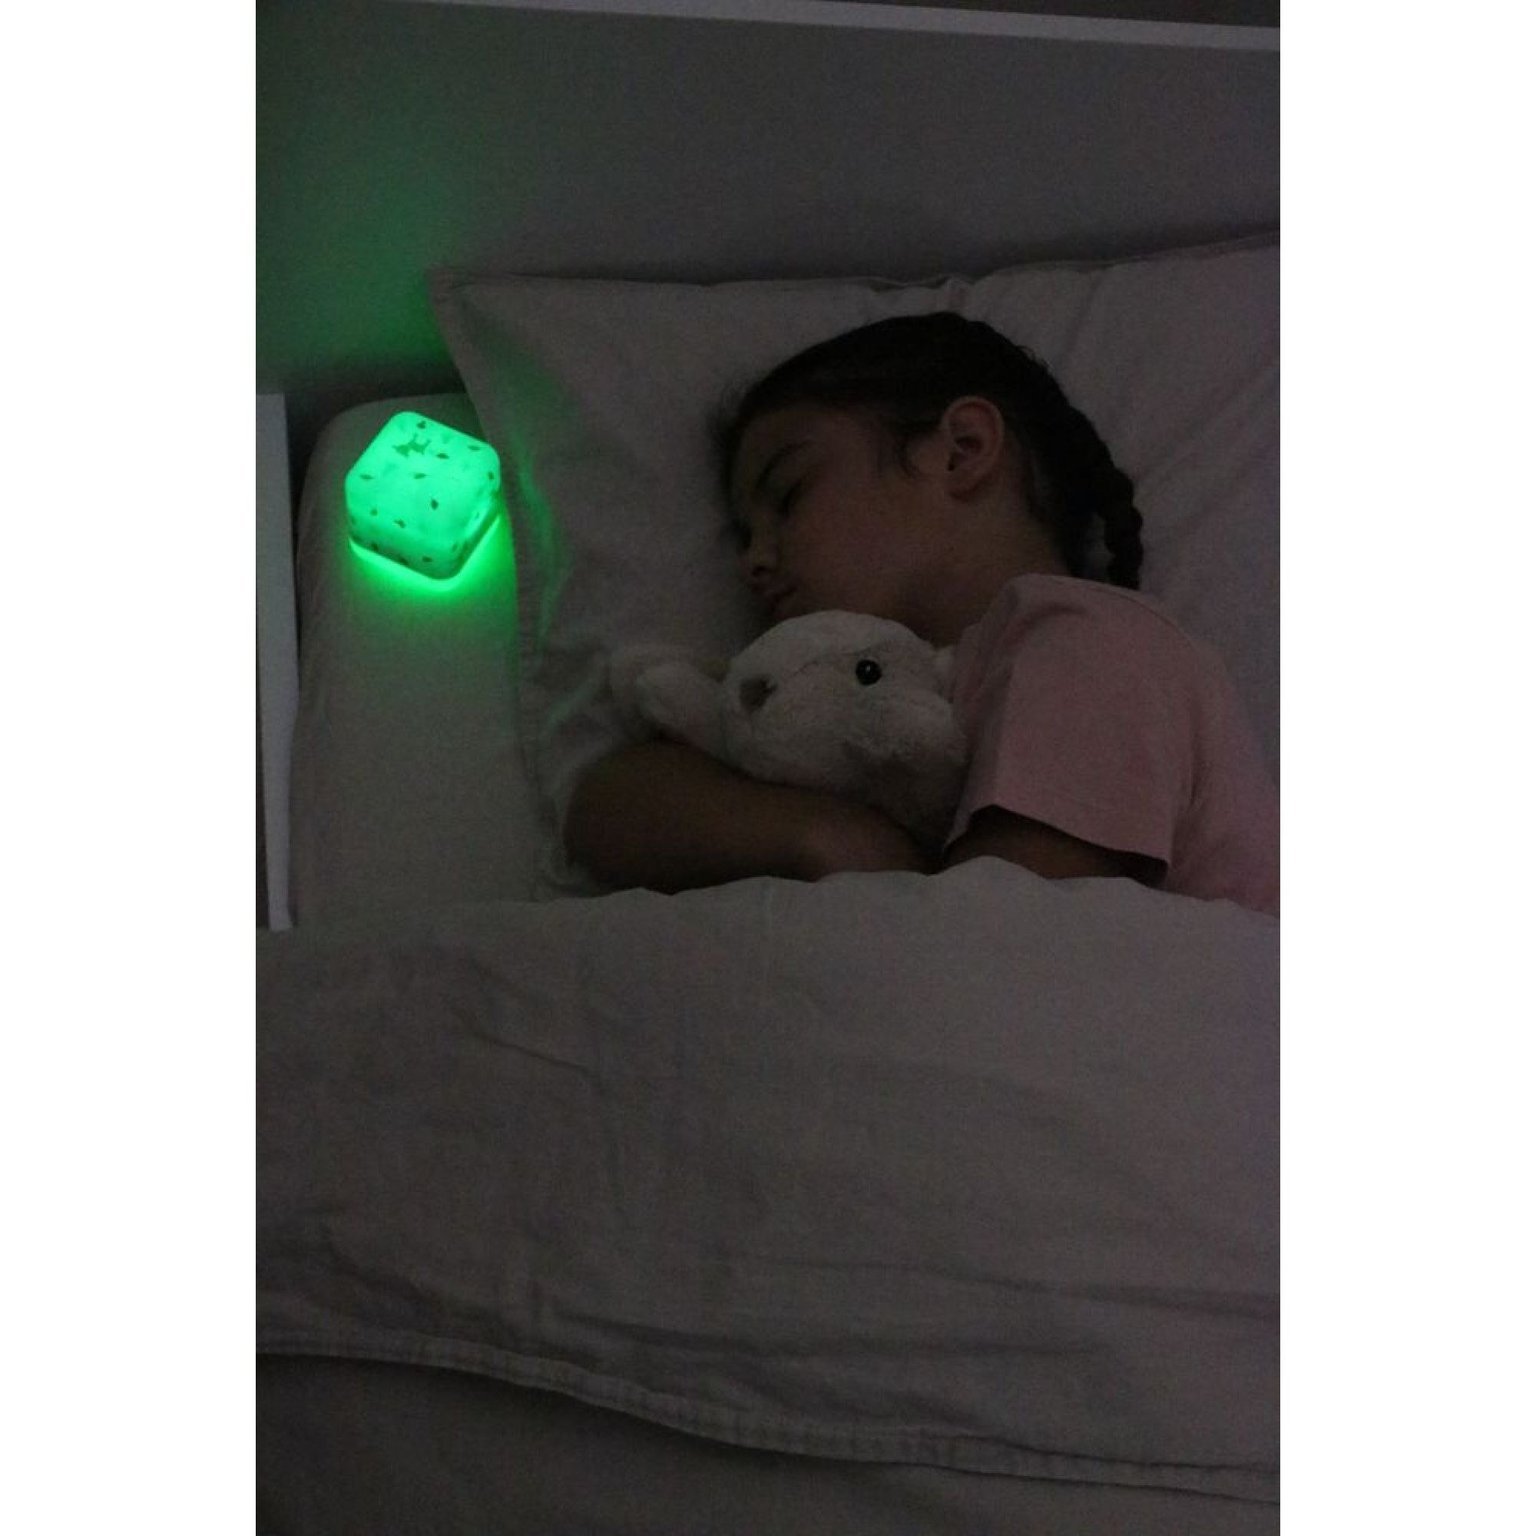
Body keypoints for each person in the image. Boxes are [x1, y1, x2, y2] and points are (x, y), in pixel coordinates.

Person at [564, 313, 1279, 915]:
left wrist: (868, 864)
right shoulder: (845, 689)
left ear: (961, 451)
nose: (753, 560)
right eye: (743, 535)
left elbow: (1009, 941)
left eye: (788, 495)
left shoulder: (1094, 639)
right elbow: (607, 805)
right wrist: (822, 837)